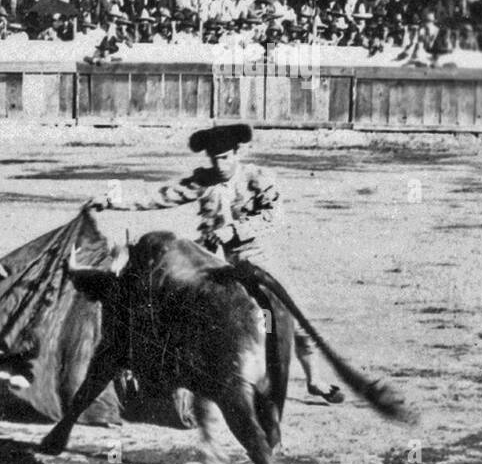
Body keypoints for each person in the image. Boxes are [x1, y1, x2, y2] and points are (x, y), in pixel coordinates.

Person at [90, 122, 342, 401]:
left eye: (225, 157)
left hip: (257, 260)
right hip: (214, 261)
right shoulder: (204, 181)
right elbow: (160, 196)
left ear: (237, 152)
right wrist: (113, 200)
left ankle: (314, 378)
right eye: (214, 158)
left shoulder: (256, 178)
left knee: (286, 319)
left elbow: (275, 216)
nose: (220, 164)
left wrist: (233, 230)